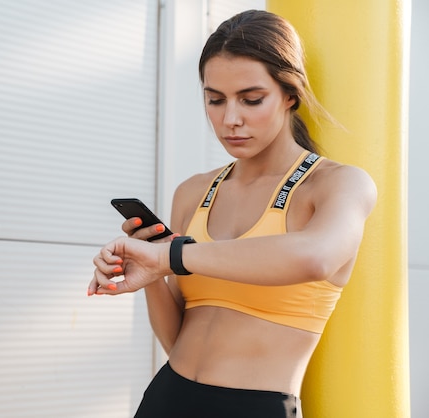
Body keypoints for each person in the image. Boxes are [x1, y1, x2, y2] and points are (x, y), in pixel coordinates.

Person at [87, 9, 377, 418]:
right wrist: (151, 272)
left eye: (251, 99)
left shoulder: (338, 184)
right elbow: (177, 339)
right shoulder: (193, 191)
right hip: (167, 397)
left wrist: (169, 256)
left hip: (256, 408)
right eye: (215, 100)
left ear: (289, 94)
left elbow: (317, 257)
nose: (230, 120)